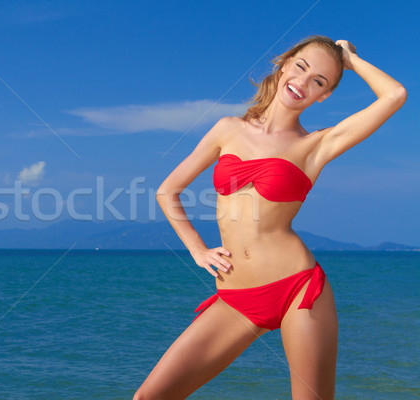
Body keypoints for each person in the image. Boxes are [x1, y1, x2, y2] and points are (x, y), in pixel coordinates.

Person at [134, 35, 406, 400]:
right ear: (284, 64)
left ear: (323, 97)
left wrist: (349, 60)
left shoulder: (316, 146)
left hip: (298, 289)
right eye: (301, 67)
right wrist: (198, 251)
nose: (304, 83)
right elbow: (167, 191)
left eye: (319, 82)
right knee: (150, 397)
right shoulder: (227, 129)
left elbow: (394, 96)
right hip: (235, 297)